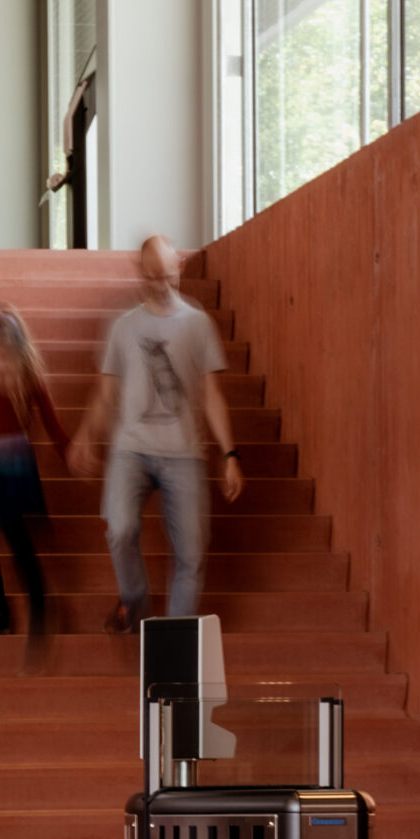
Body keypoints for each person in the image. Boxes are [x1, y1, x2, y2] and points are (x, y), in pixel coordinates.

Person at [69, 236, 247, 631]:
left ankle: (174, 640)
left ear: (179, 268)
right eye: (152, 278)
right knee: (120, 528)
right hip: (131, 449)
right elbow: (106, 393)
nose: (161, 285)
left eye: (167, 276)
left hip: (184, 453)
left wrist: (230, 454)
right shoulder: (124, 326)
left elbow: (212, 395)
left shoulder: (199, 324)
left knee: (192, 553)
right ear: (139, 273)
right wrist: (86, 433)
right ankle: (134, 603)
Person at [0, 306, 67, 660]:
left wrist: (70, 454)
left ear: (17, 350)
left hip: (16, 467)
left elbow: (53, 424)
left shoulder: (30, 376)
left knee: (18, 538)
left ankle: (40, 606)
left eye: (3, 350)